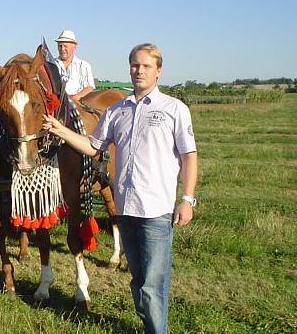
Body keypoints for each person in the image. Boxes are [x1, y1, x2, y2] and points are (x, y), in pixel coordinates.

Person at [43, 43, 198, 333]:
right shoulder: (116, 111)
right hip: (126, 208)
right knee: (138, 280)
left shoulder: (174, 109)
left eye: (146, 66)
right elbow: (92, 146)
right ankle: (148, 322)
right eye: (135, 66)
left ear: (158, 71)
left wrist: (187, 199)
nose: (139, 71)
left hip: (157, 210)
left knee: (153, 285)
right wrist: (60, 130)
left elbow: (189, 156)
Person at [53, 29, 95, 101]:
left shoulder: (84, 66)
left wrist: (73, 99)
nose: (62, 49)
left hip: (78, 105)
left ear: (74, 47)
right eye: (60, 46)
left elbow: (89, 87)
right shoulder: (51, 65)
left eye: (65, 46)